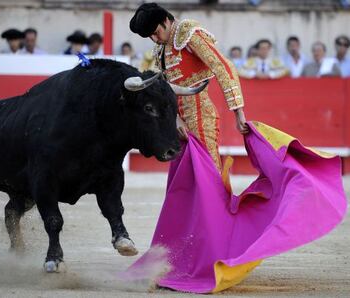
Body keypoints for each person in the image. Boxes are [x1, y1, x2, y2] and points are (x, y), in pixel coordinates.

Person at [125, 2, 347, 294]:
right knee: (184, 188)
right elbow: (166, 88)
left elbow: (222, 66)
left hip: (202, 118)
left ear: (167, 21)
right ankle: (182, 257)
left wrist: (238, 110)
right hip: (180, 126)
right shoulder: (162, 48)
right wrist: (175, 119)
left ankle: (213, 256)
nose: (155, 39)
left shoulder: (188, 34)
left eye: (156, 32)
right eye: (150, 37)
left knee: (206, 187)